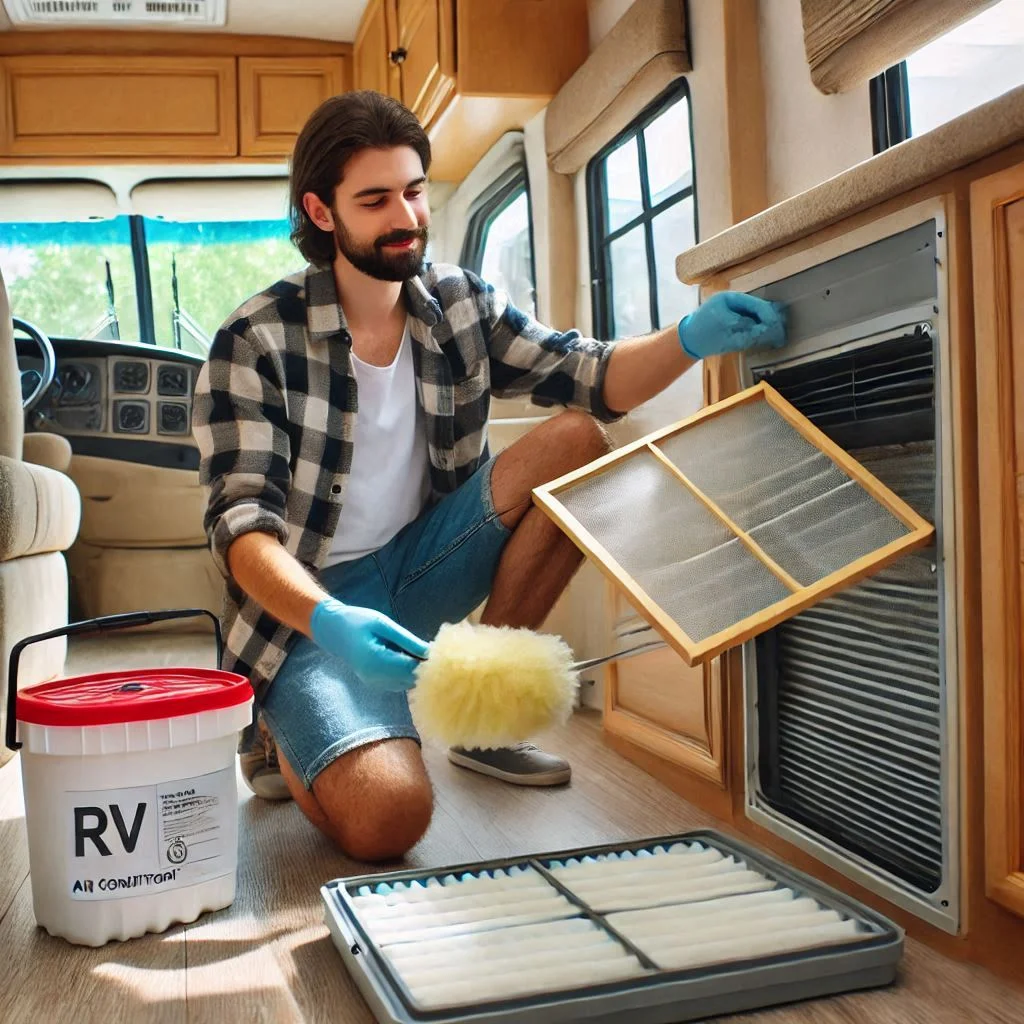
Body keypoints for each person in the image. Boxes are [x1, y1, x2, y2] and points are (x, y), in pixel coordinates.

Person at [192, 90, 785, 863]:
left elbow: (594, 376)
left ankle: (482, 719)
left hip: (423, 562)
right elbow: (241, 532)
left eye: (413, 190)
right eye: (375, 200)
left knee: (577, 439)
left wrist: (692, 335)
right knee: (389, 819)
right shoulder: (255, 338)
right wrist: (329, 620)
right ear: (323, 212)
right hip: (312, 617)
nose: (404, 215)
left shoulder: (458, 303)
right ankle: (285, 729)